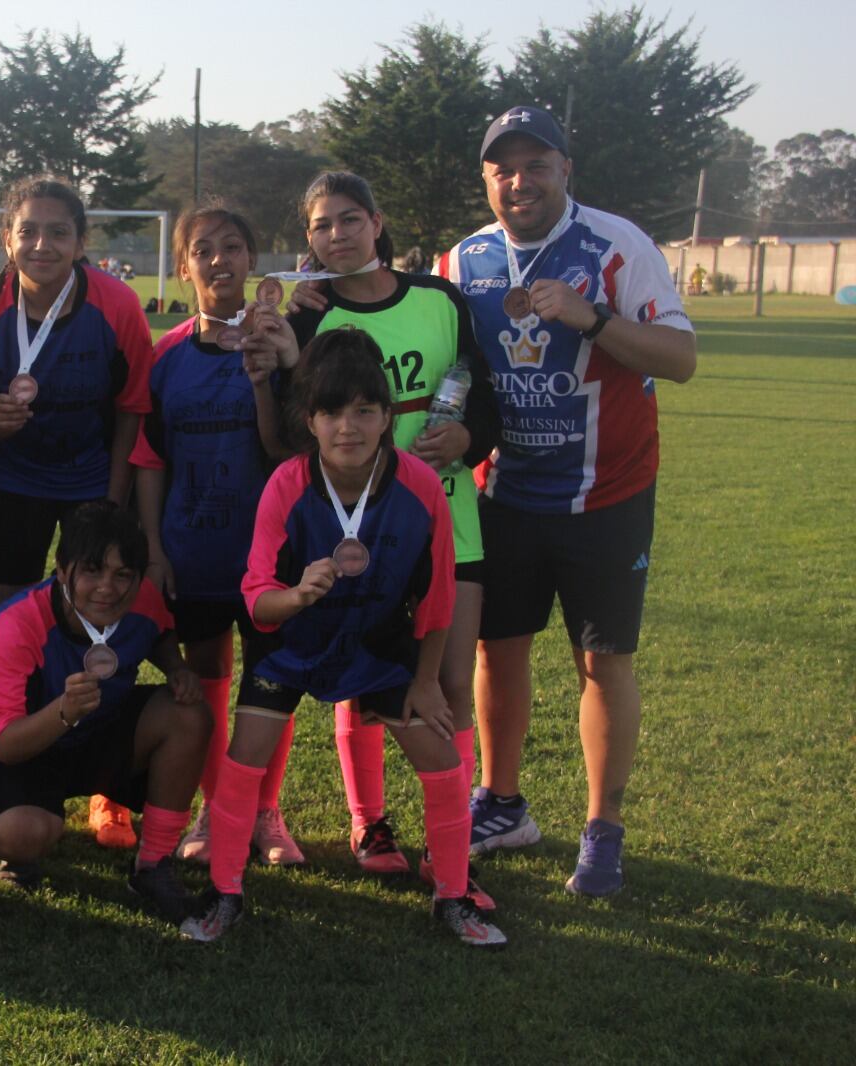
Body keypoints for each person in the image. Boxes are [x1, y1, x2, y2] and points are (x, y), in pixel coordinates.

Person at [435, 105, 696, 896]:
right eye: (502, 168)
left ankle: (602, 830)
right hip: (504, 492)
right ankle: (502, 803)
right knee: (496, 649)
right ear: (486, 179)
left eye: (536, 164)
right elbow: (451, 367)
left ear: (564, 170)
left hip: (606, 492)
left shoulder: (618, 245)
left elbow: (680, 358)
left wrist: (594, 318)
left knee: (601, 660)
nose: (520, 181)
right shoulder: (464, 259)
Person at [178, 329, 505, 948]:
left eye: (363, 410)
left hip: (380, 645)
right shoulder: (286, 485)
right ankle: (225, 893)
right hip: (292, 642)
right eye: (331, 412)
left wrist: (427, 678)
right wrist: (298, 596)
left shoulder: (420, 486)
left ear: (387, 417)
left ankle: (453, 896)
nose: (347, 427)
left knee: (441, 760)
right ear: (310, 420)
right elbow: (256, 595)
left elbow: (437, 599)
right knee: (243, 758)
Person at [280, 172, 500, 904]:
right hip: (358, 533)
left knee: (449, 685)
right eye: (321, 226)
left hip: (449, 517)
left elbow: (484, 392)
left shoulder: (439, 300)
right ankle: (369, 823)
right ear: (308, 239)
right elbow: (291, 423)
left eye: (350, 220)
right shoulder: (309, 315)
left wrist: (469, 435)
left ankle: (450, 849)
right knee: (363, 680)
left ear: (378, 224)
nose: (337, 234)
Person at [0, 176, 154, 850]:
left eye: (59, 232)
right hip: (13, 481)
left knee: (100, 620)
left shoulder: (117, 303)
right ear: (7, 238)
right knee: (8, 627)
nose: (43, 244)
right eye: (29, 231)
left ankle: (106, 794)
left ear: (81, 241)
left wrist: (113, 495)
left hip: (90, 486)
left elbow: (132, 406)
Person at [129, 202, 300, 867]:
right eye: (204, 249)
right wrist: (154, 548)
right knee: (206, 678)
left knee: (270, 681)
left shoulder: (281, 347)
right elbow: (148, 459)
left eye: (233, 246)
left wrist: (267, 376)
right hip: (192, 549)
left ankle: (264, 812)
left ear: (253, 261)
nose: (220, 260)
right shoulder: (166, 356)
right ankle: (211, 809)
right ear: (184, 266)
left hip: (268, 554)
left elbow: (288, 448)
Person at [0, 501, 211, 922]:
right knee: (21, 835)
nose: (107, 588)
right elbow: (5, 744)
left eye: (122, 575)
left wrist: (176, 669)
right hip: (28, 749)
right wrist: (63, 711)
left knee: (190, 715)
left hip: (98, 733)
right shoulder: (17, 623)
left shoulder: (143, 600)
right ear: (61, 570)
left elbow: (160, 634)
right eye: (92, 570)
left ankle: (153, 865)